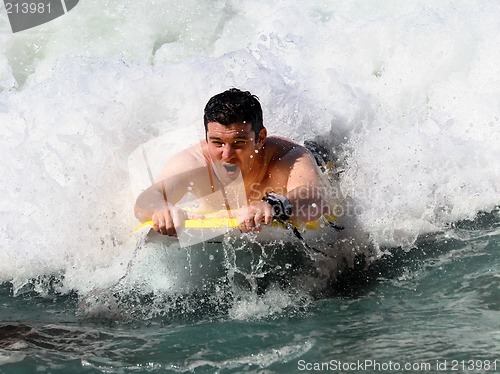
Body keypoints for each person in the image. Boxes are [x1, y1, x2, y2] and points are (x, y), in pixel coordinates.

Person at [134, 88, 332, 236]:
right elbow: (145, 202)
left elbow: (316, 197)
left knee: (327, 160)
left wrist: (274, 205)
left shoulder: (287, 156)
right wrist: (161, 210)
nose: (227, 154)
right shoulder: (193, 163)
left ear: (260, 138)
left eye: (238, 143)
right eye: (217, 143)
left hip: (317, 160)